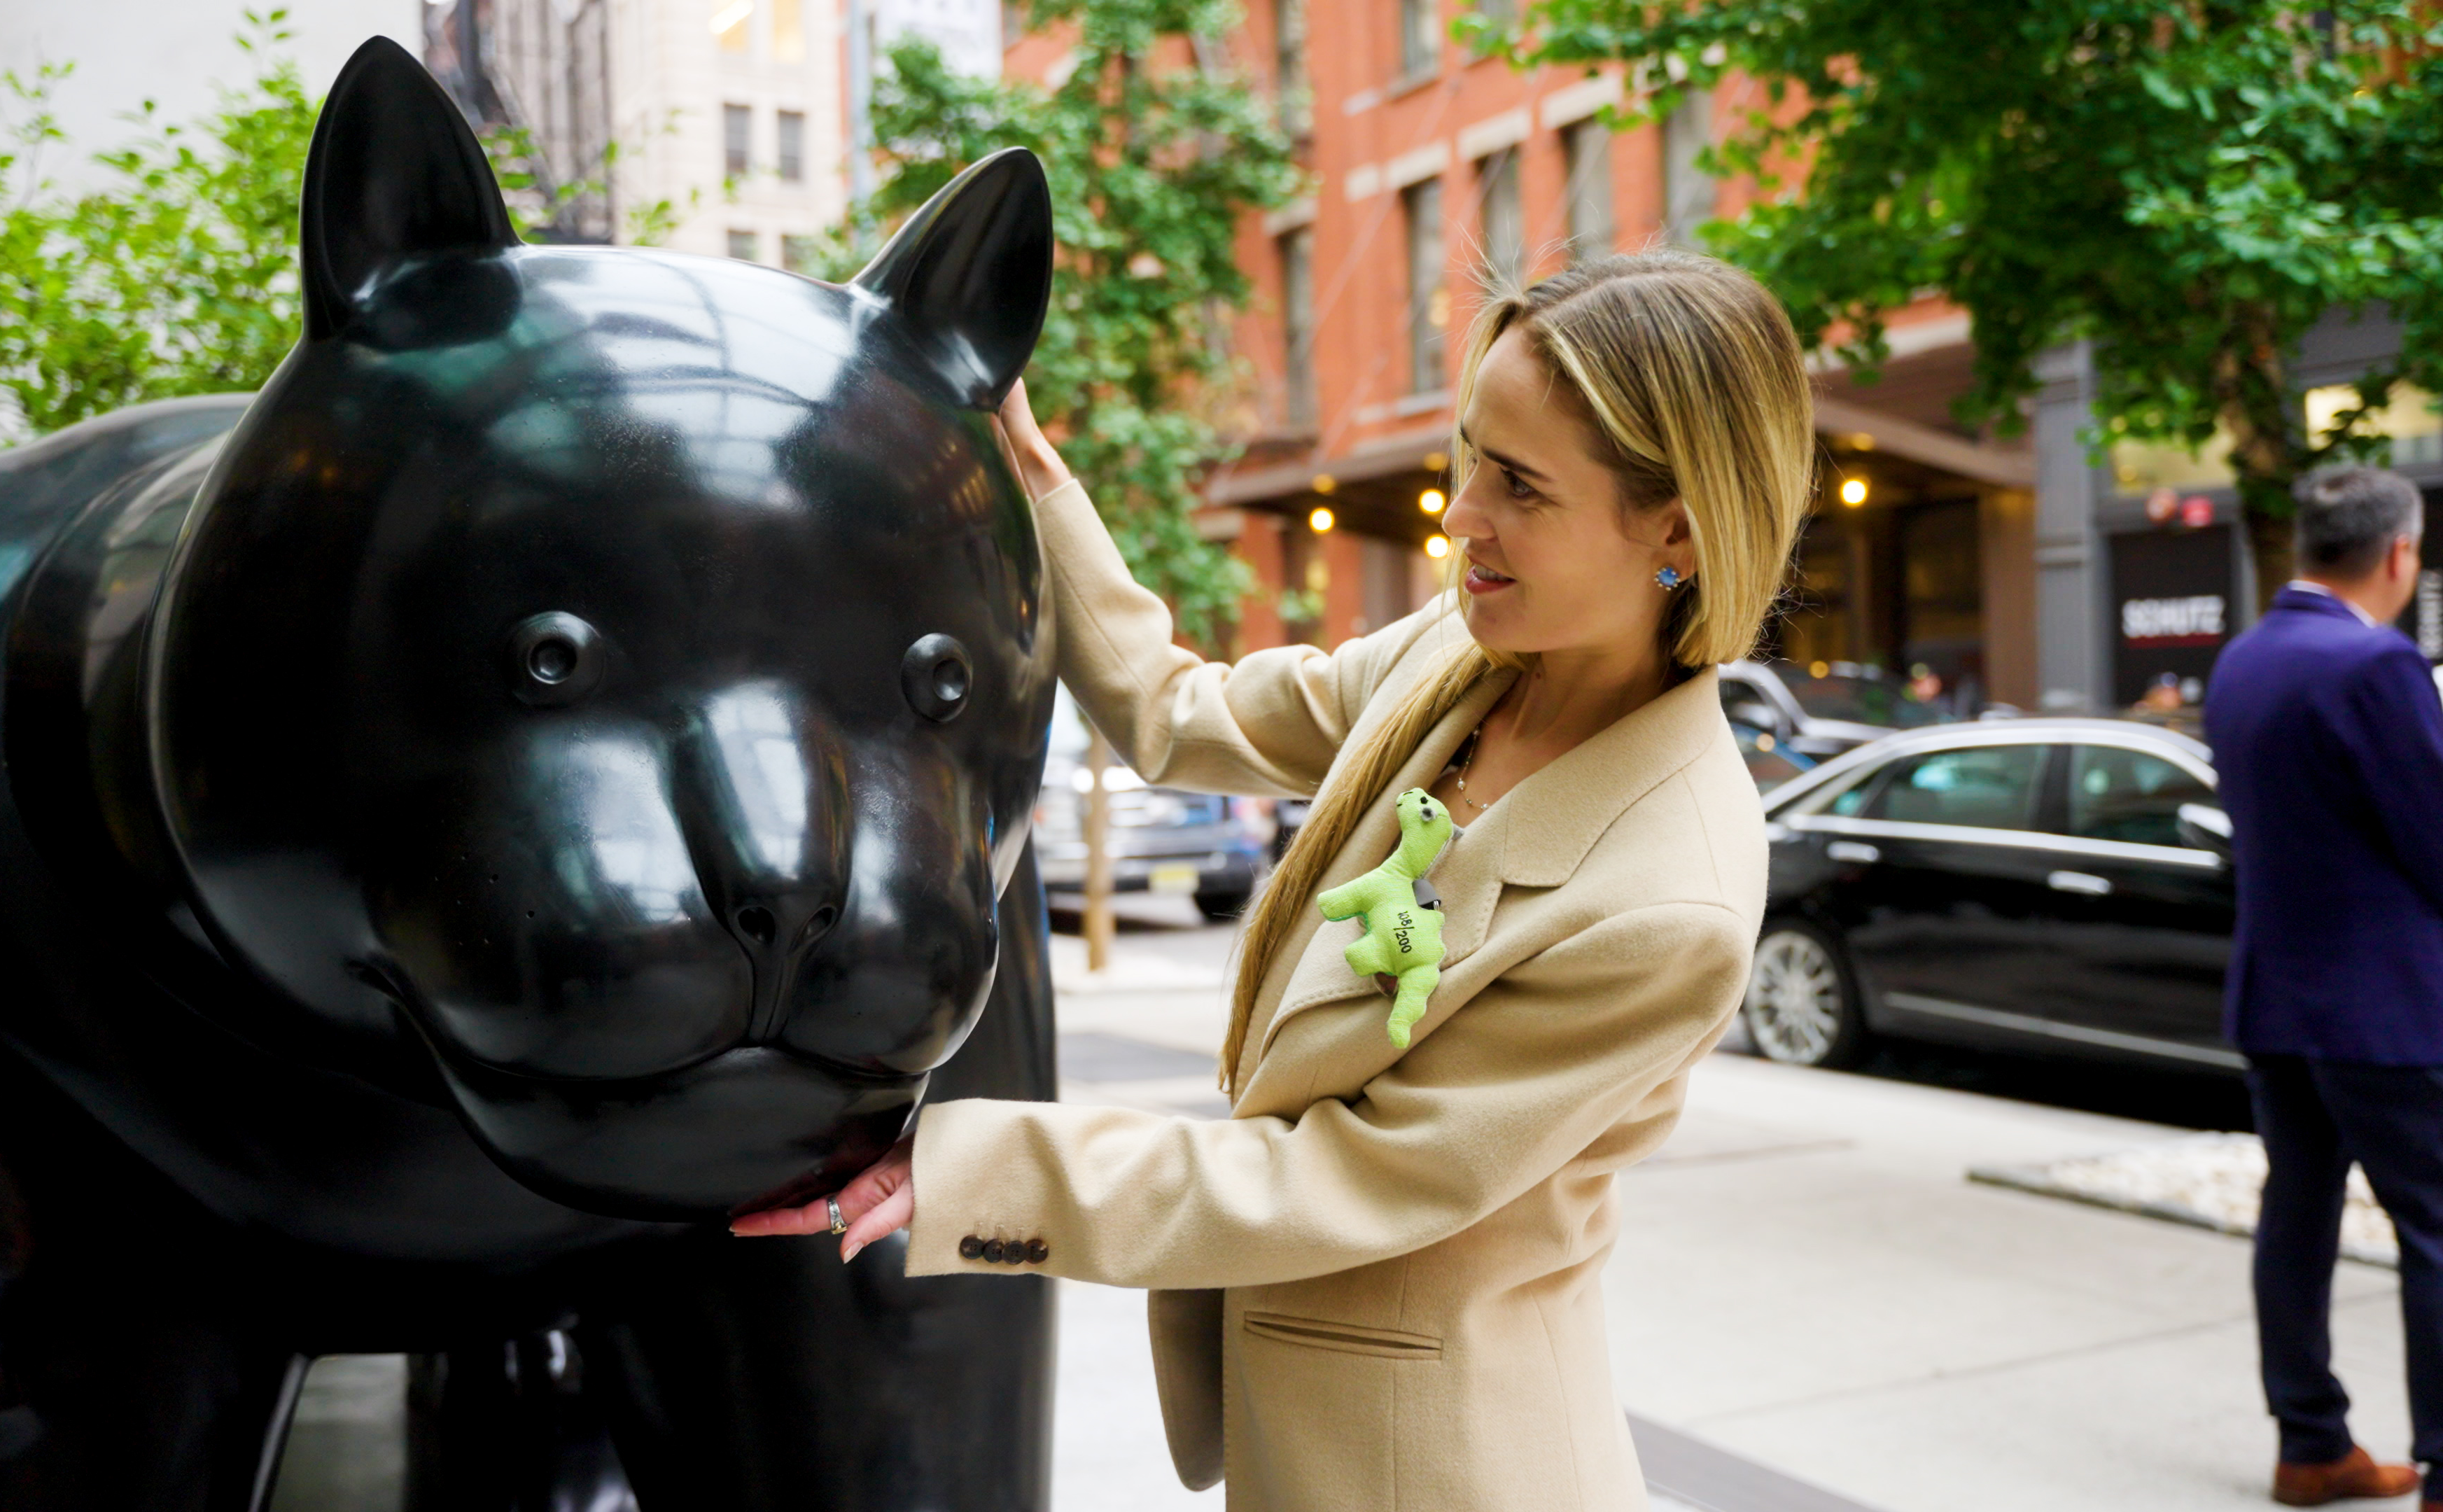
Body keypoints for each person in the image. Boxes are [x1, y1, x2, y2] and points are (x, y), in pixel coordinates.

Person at [733, 251, 1812, 1510]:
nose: (1459, 515)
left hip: (1447, 1467)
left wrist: (975, 1174)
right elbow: (1176, 711)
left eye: (1519, 486)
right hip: (1306, 1429)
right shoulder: (1453, 653)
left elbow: (1340, 1177)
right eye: (1470, 455)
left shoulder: (1669, 900)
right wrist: (1023, 470)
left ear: (1677, 525)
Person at [2204, 468, 2443, 1512]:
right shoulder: (2376, 662)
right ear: (2401, 553)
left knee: (2297, 1222)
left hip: (2276, 990)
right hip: (2381, 1003)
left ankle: (2311, 1446)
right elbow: (2441, 819)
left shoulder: (2241, 660)